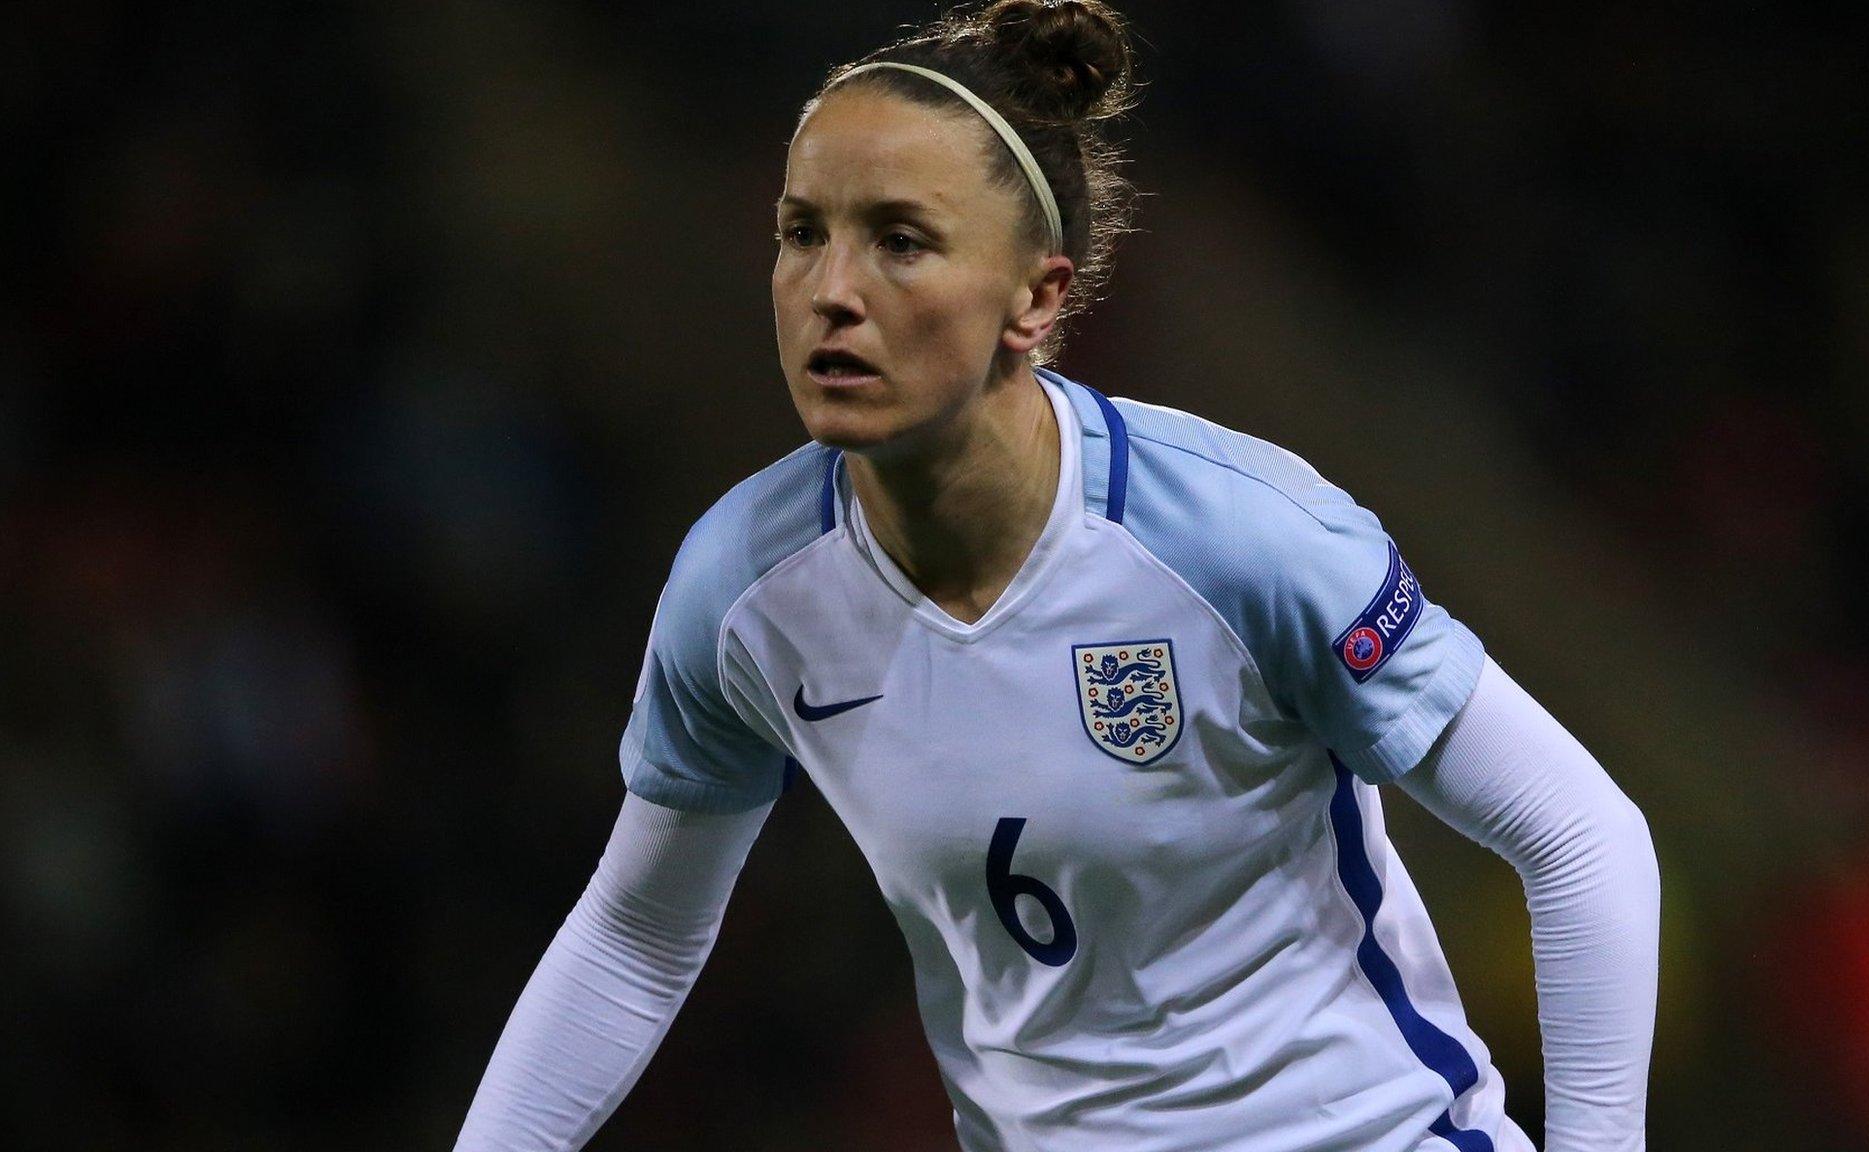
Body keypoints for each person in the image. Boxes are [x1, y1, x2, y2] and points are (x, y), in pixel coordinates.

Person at [452, 2, 1660, 1149]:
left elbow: (1579, 834)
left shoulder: (1235, 537)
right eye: (801, 231)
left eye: (901, 241)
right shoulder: (745, 590)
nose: (831, 291)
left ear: (1035, 299)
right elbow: (637, 937)